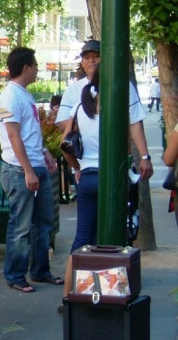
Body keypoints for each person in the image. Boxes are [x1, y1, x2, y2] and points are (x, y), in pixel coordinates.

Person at [57, 65, 154, 315]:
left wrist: (77, 168)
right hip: (112, 178)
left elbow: (64, 144)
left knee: (81, 241)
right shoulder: (120, 103)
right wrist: (144, 156)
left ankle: (68, 297)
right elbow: (136, 127)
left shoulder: (81, 107)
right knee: (115, 241)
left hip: (88, 178)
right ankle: (112, 295)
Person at [0, 47, 62, 294]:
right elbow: (13, 136)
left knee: (43, 224)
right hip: (19, 169)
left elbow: (28, 132)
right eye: (35, 66)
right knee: (21, 226)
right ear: (26, 68)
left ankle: (40, 270)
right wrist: (28, 170)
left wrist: (43, 152)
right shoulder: (11, 96)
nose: (37, 70)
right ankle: (15, 275)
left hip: (35, 165)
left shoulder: (24, 95)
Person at [55, 39, 153, 184]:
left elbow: (135, 121)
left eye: (96, 56)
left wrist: (145, 156)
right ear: (82, 62)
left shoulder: (124, 86)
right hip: (87, 166)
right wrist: (87, 125)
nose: (92, 61)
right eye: (87, 57)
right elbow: (62, 123)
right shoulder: (73, 90)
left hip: (117, 161)